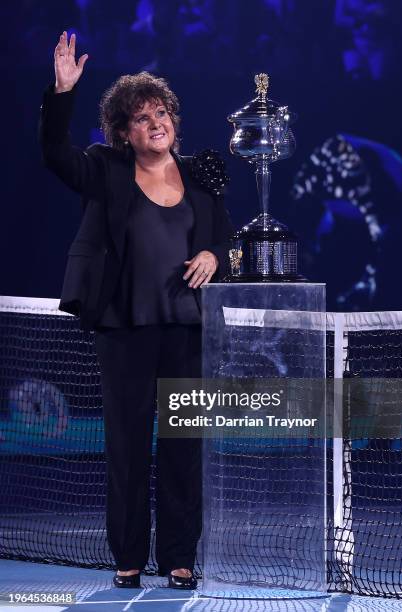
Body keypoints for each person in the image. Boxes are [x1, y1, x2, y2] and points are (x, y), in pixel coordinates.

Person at [39, 31, 233, 590]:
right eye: (142, 117)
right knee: (126, 447)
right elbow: (54, 154)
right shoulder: (105, 167)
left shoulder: (203, 174)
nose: (156, 122)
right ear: (123, 131)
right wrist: (62, 91)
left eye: (162, 112)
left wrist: (212, 255)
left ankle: (178, 558)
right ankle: (127, 557)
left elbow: (221, 238)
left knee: (183, 451)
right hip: (123, 329)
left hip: (186, 331)